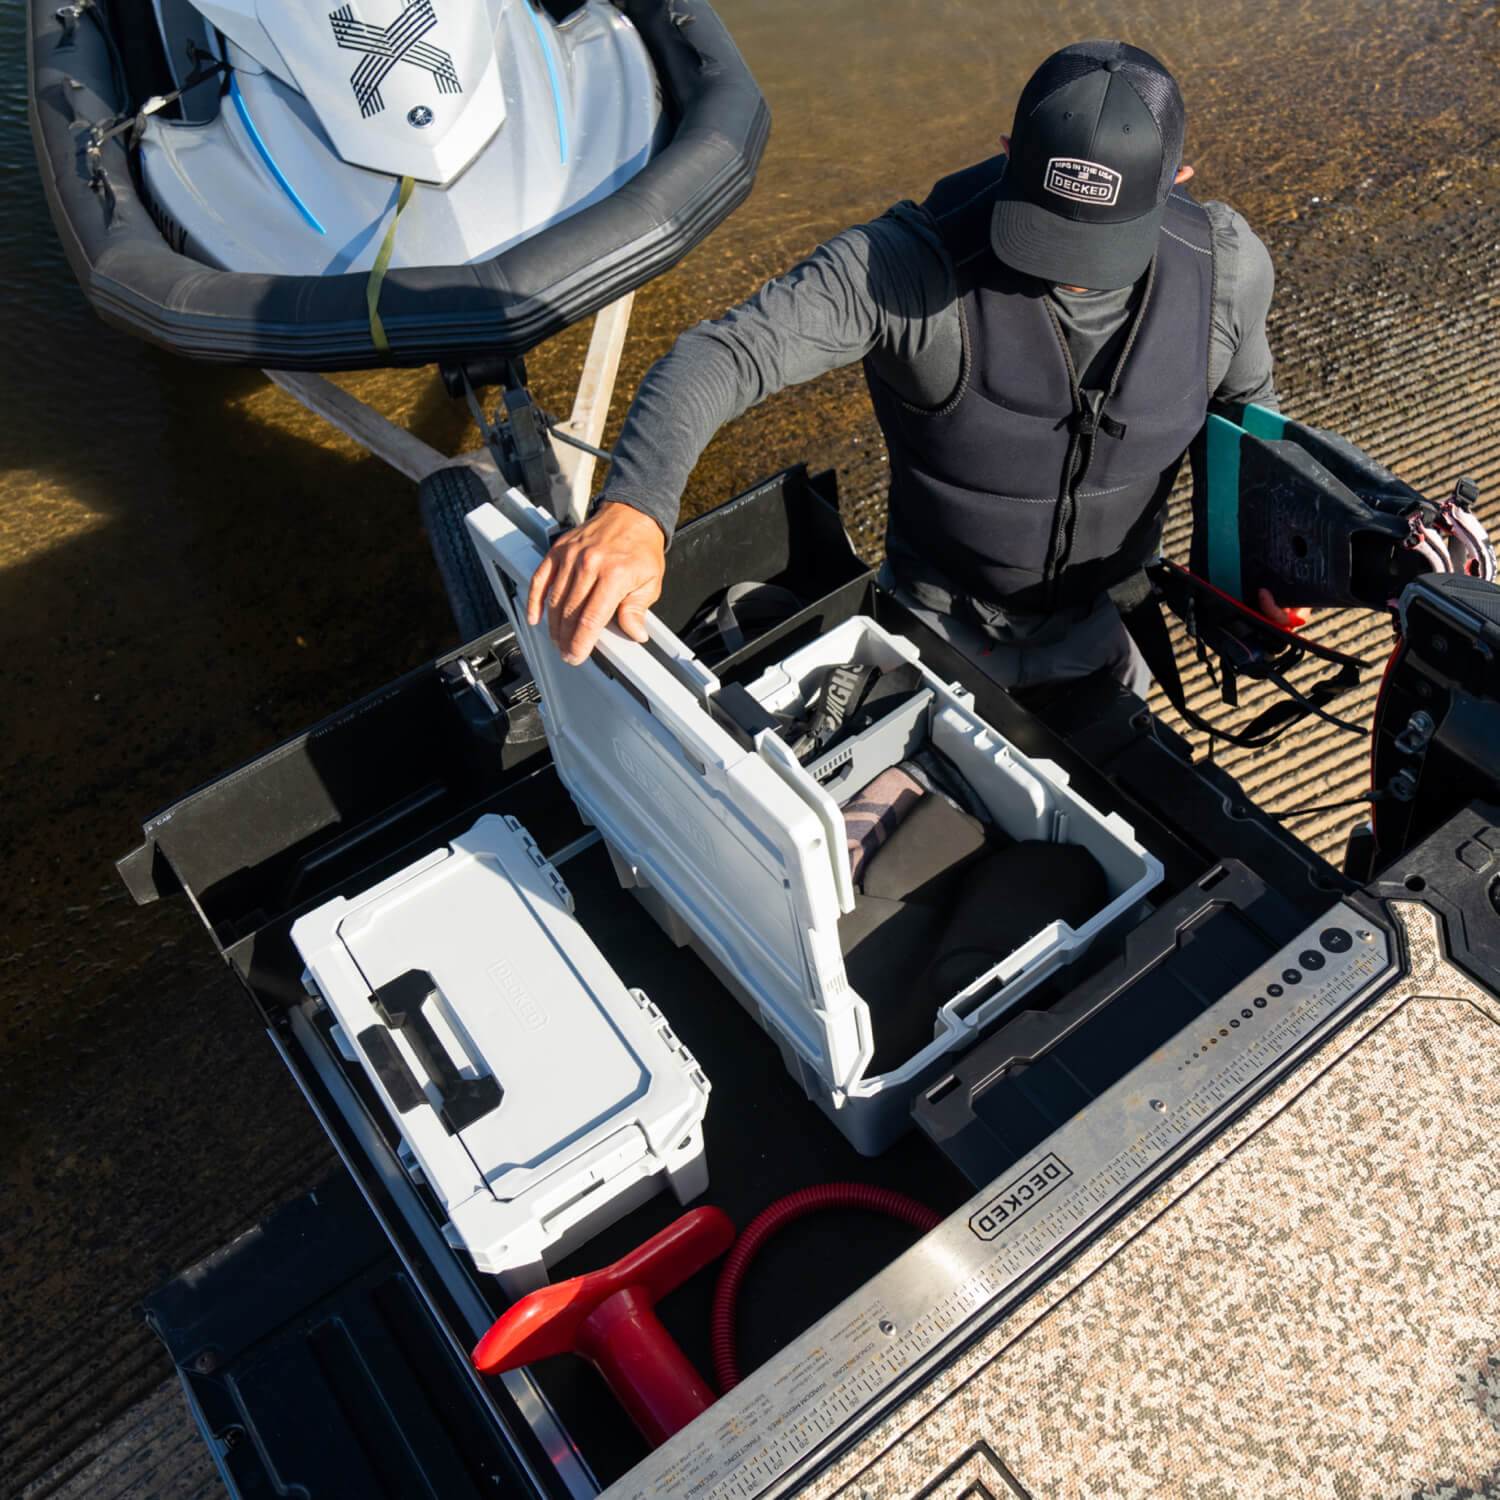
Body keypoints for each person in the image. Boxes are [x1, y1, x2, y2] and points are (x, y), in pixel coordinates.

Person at [526, 39, 1279, 697]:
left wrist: (1263, 565)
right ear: (1007, 155)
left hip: (1103, 623)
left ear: (1176, 183)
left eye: (1100, 249)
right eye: (1046, 237)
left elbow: (1253, 429)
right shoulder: (904, 266)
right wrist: (636, 510)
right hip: (935, 620)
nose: (1071, 275)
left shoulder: (1229, 270)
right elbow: (723, 353)